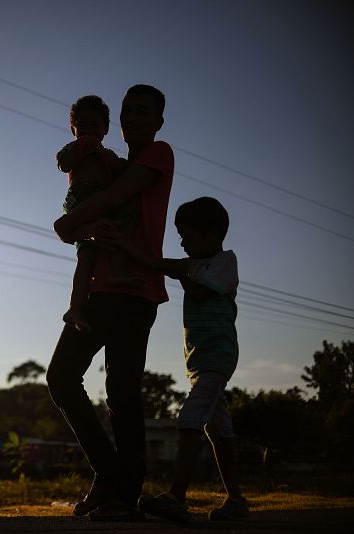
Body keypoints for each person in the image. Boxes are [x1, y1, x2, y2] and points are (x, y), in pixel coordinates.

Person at [46, 84, 174, 520]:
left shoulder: (157, 156)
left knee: (122, 392)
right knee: (62, 378)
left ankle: (122, 492)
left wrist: (67, 223)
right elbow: (93, 215)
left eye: (143, 112)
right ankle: (111, 475)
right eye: (127, 112)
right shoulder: (106, 164)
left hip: (136, 292)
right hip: (99, 290)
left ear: (158, 121)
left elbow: (113, 201)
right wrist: (79, 229)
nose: (134, 119)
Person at [100, 196, 248, 522]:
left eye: (187, 235)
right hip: (198, 361)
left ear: (211, 234)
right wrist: (124, 244)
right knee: (219, 428)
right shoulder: (191, 265)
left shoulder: (224, 262)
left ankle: (177, 496)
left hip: (217, 356)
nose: (181, 241)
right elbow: (155, 262)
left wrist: (180, 272)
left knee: (189, 418)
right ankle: (236, 499)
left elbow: (199, 291)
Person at [56, 95, 140, 333]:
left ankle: (109, 278)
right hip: (80, 201)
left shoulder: (106, 154)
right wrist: (83, 145)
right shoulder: (76, 148)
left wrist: (114, 160)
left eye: (94, 125)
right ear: (73, 129)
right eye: (82, 126)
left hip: (101, 205)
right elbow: (64, 162)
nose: (88, 130)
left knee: (109, 237)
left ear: (105, 129)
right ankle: (76, 306)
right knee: (87, 254)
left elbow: (122, 170)